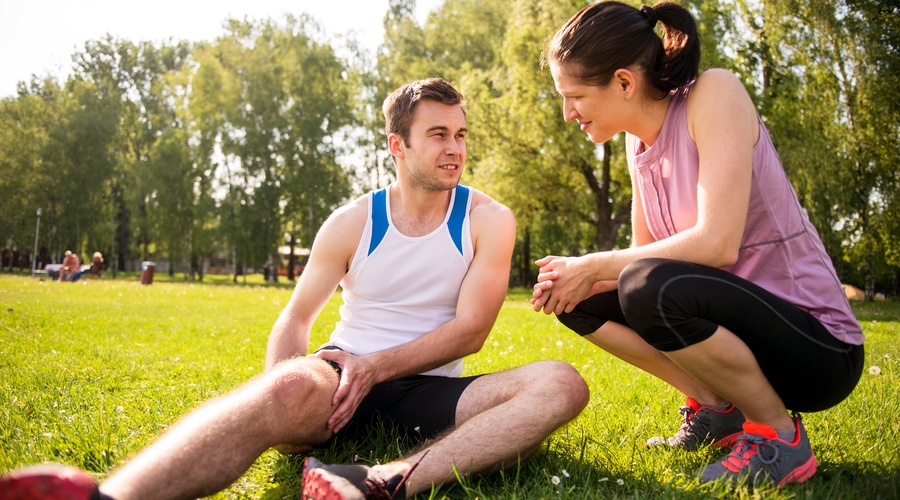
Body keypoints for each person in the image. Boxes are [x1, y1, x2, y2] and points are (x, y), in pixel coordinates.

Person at [1, 78, 589, 500]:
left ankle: (380, 480)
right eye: (438, 134)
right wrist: (285, 389)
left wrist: (378, 369)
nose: (455, 149)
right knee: (283, 386)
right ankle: (108, 496)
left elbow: (472, 331)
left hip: (430, 390)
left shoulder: (489, 218)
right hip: (339, 378)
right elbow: (297, 316)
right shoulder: (351, 221)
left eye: (460, 134)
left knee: (560, 384)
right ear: (397, 144)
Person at [532, 1, 864, 487]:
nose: (567, 114)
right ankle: (718, 408)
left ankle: (779, 437)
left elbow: (717, 242)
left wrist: (596, 262)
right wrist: (575, 277)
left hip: (817, 348)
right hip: (741, 333)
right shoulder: (636, 142)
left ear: (625, 83)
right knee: (580, 297)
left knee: (647, 286)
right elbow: (638, 257)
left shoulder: (714, 94)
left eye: (574, 96)